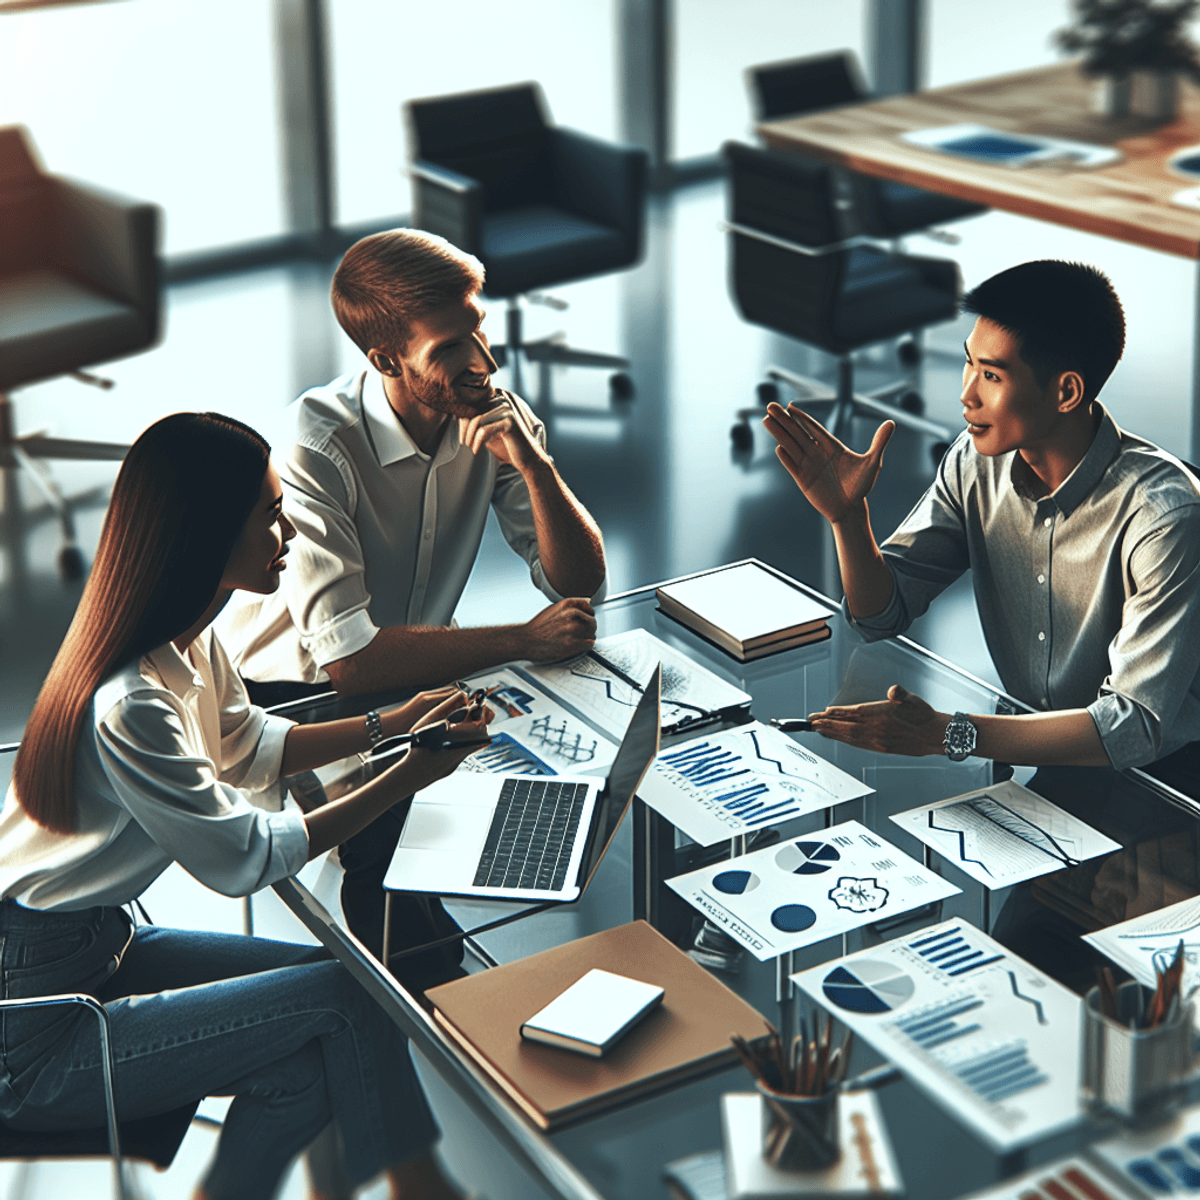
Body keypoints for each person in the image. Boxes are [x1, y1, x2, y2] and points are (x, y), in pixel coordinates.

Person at [0, 412, 490, 1200]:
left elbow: (248, 743)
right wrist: (407, 776)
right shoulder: (131, 702)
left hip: (97, 947)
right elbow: (244, 860)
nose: (289, 528)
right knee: (345, 996)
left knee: (330, 1018)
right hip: (36, 1024)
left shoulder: (185, 639)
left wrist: (394, 724)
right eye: (268, 515)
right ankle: (415, 1183)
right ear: (206, 534)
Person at [217, 228, 608, 983]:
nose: (484, 364)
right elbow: (351, 661)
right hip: (290, 692)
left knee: (551, 773)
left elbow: (577, 583)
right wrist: (522, 639)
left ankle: (433, 960)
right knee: (387, 829)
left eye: (480, 333)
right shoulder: (316, 443)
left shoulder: (488, 409)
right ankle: (418, 1002)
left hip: (404, 667)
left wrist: (534, 462)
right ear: (386, 360)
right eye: (451, 348)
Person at [763, 259, 1200, 786]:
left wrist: (947, 734)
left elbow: (1134, 728)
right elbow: (880, 616)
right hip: (1041, 763)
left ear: (1066, 393)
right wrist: (849, 520)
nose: (966, 394)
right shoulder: (975, 462)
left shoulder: (1164, 517)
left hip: (1165, 786)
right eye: (969, 364)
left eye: (991, 375)